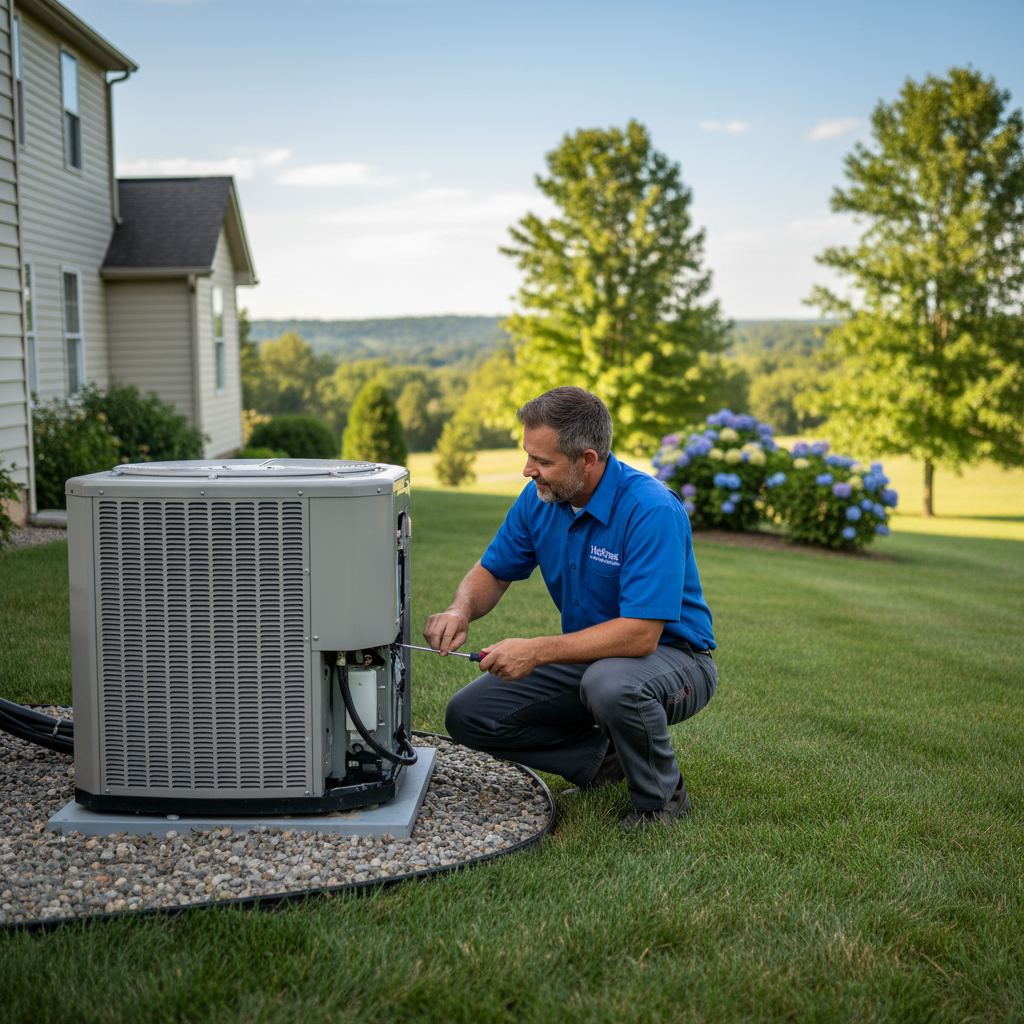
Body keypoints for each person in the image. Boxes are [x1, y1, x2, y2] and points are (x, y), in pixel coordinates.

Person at [424, 387, 717, 830]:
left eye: (542, 462)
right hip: (592, 659)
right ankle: (602, 762)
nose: (528, 471)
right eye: (528, 456)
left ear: (588, 460)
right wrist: (460, 609)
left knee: (612, 683)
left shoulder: (651, 509)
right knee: (469, 716)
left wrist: (537, 650)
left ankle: (662, 802)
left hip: (676, 660)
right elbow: (494, 571)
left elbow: (641, 635)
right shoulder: (541, 501)